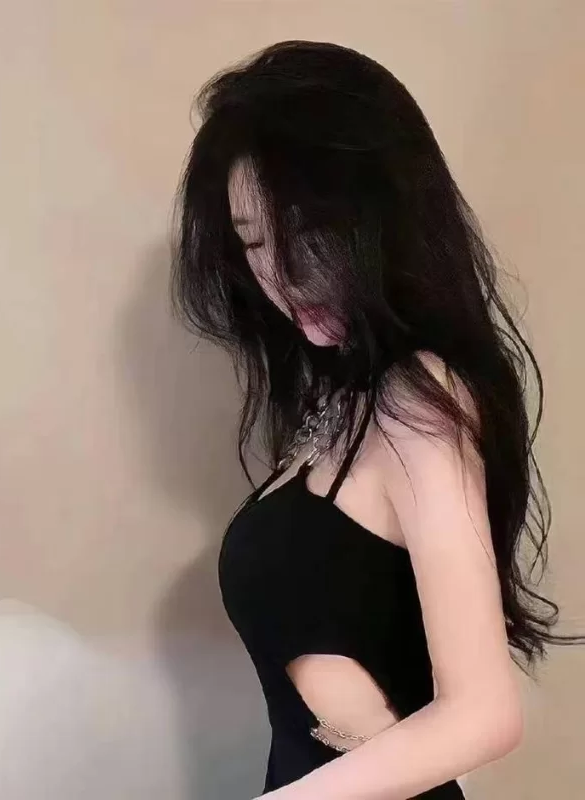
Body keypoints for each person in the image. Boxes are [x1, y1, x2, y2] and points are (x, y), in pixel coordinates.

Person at [171, 41, 582, 799]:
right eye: (254, 241)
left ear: (386, 217)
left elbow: (484, 716)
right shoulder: (339, 400)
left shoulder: (416, 397)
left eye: (309, 234)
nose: (281, 275)